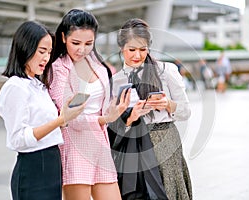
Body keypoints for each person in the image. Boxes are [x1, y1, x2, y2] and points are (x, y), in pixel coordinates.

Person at [0, 21, 85, 200]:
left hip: (52, 164)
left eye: (49, 52)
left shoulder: (38, 86)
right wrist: (60, 121)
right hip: (34, 167)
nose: (46, 58)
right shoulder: (16, 87)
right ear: (25, 48)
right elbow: (19, 139)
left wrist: (65, 118)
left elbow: (45, 127)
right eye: (41, 51)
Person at [48, 9, 129, 200]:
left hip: (100, 142)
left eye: (88, 43)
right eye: (76, 43)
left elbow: (103, 105)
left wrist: (115, 110)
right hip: (74, 144)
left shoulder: (99, 66)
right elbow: (67, 115)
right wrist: (102, 119)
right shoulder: (58, 68)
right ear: (63, 37)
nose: (82, 49)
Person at [108, 18, 192, 200]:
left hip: (165, 139)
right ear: (122, 48)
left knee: (167, 191)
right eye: (132, 50)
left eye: (142, 49)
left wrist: (168, 104)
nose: (137, 55)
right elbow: (113, 123)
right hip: (133, 144)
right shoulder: (116, 81)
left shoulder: (166, 71)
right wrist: (131, 117)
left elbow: (186, 111)